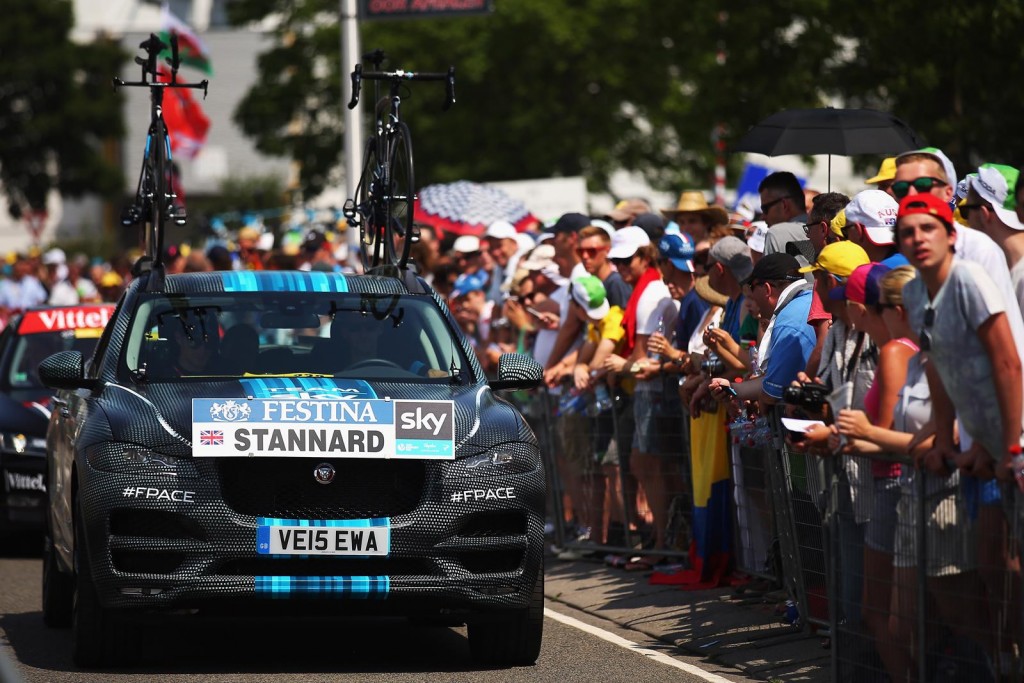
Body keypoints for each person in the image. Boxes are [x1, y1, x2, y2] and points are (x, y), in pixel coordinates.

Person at [602, 226, 681, 570]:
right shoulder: (645, 289)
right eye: (616, 261)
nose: (620, 267)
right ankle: (662, 542)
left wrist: (620, 365)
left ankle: (662, 544)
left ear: (645, 257)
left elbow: (640, 358)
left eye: (626, 259)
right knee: (646, 465)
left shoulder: (649, 293)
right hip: (652, 390)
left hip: (655, 390)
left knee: (650, 466)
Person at [840, 190, 907, 268]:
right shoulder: (918, 262)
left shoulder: (868, 277)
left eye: (845, 232)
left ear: (859, 231)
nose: (846, 240)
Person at [759, 171, 812, 265]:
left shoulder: (775, 233)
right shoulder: (822, 231)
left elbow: (768, 279)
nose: (763, 216)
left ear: (784, 205)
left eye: (765, 209)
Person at [661, 191, 730, 243]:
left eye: (692, 221)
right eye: (681, 222)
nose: (686, 227)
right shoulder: (675, 253)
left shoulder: (714, 252)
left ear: (706, 223)